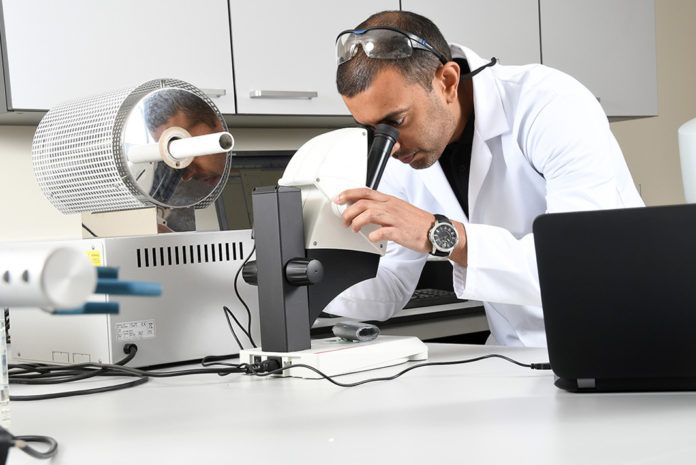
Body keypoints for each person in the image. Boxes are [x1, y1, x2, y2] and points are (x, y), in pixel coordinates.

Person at [323, 10, 644, 347]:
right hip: (514, 355)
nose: (388, 146)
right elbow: (390, 285)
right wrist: (308, 277)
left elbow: (582, 261)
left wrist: (440, 235)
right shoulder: (401, 153)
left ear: (446, 81)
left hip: (615, 338)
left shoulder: (550, 104)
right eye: (372, 129)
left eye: (396, 121)